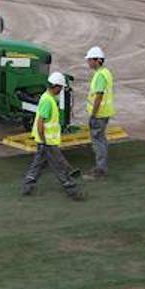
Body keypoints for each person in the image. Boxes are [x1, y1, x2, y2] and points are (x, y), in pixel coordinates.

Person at [20, 72, 84, 200]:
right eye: (60, 88)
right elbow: (40, 122)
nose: (60, 90)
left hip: (45, 140)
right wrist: (44, 140)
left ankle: (27, 186)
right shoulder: (47, 101)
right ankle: (72, 190)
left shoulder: (47, 98)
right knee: (59, 166)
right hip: (48, 142)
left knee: (38, 164)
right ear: (55, 86)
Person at [83, 46, 114, 178]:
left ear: (97, 60)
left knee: (98, 141)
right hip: (105, 113)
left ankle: (100, 169)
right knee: (102, 139)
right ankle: (101, 167)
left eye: (90, 60)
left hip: (99, 114)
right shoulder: (105, 72)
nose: (88, 63)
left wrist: (93, 114)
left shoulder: (100, 76)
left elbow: (99, 96)